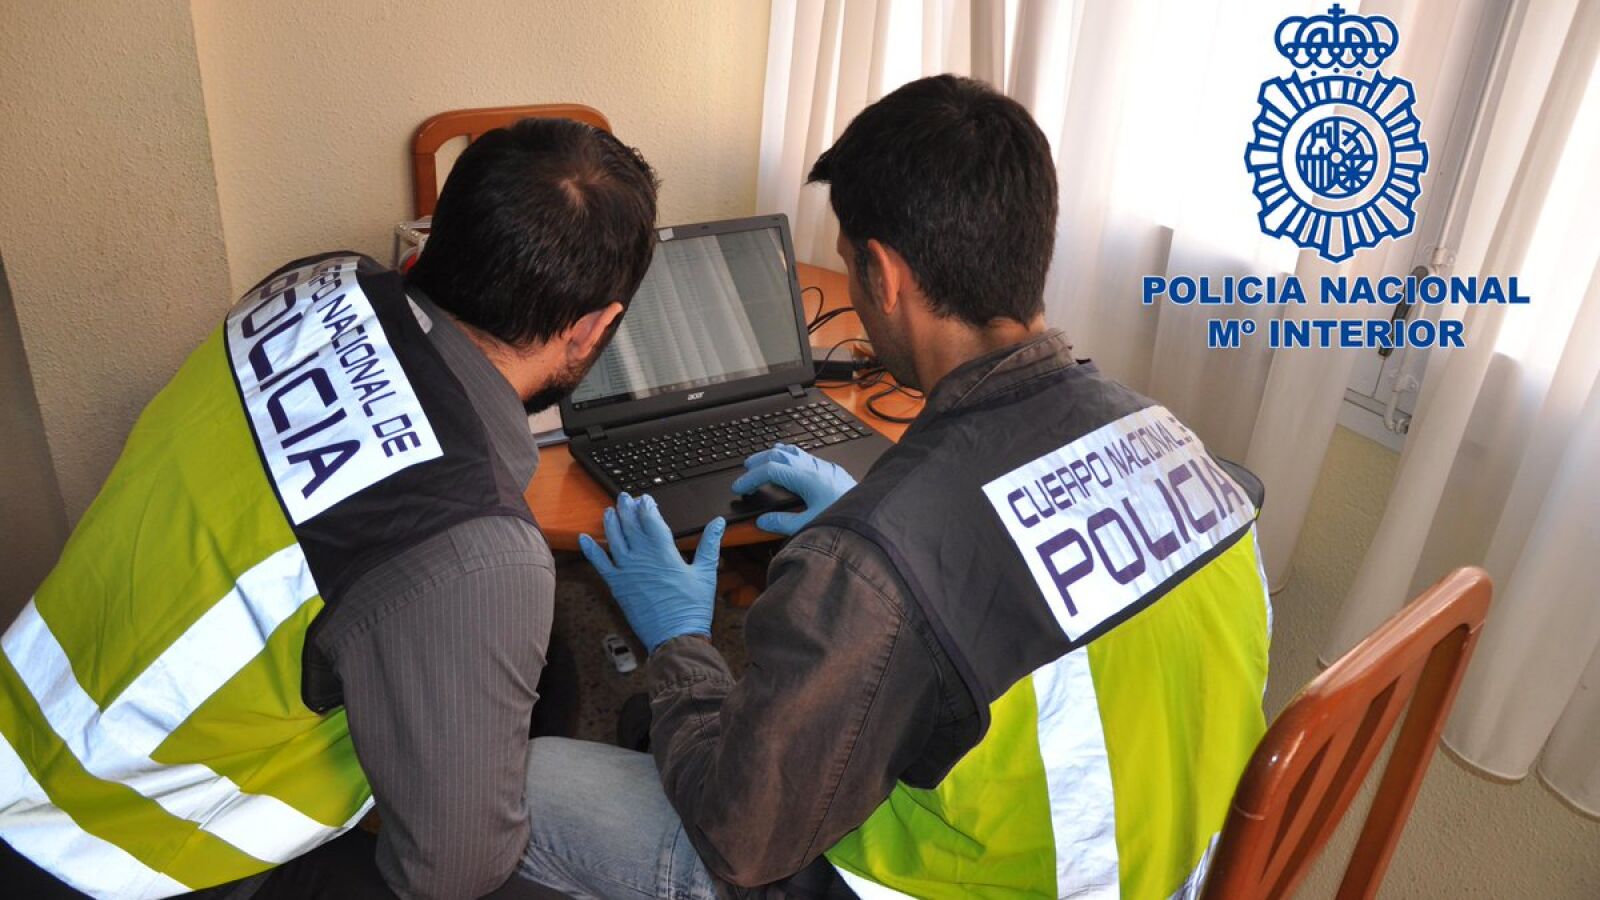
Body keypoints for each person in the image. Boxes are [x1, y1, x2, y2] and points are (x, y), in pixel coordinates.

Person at [524, 75, 1273, 898]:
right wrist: (874, 531)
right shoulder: (1177, 443)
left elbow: (741, 838)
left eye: (850, 262)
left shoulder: (870, 567)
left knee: (532, 782)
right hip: (1176, 871)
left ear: (881, 274)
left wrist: (679, 644)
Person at [0, 117, 659, 899]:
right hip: (115, 856)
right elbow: (451, 876)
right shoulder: (475, 550)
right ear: (592, 329)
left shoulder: (313, 283)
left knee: (537, 658)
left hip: (28, 727)